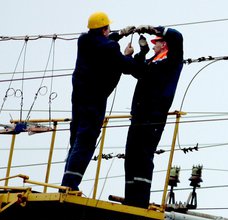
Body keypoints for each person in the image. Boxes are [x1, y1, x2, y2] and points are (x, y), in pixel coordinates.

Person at [61, 11, 136, 192]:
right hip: (94, 101)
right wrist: (129, 55)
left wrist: (120, 34)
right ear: (104, 29)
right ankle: (70, 185)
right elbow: (126, 67)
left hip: (78, 98)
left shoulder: (83, 41)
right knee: (86, 141)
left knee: (76, 139)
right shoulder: (110, 48)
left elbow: (103, 40)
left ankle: (66, 182)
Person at [123, 27, 184, 208]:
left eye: (155, 42)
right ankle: (130, 198)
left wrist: (153, 29)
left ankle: (140, 201)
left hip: (154, 115)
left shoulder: (172, 59)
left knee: (143, 155)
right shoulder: (152, 61)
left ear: (163, 43)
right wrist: (138, 54)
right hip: (139, 114)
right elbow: (135, 71)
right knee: (131, 156)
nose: (153, 45)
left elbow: (177, 37)